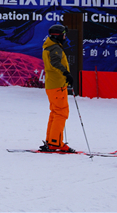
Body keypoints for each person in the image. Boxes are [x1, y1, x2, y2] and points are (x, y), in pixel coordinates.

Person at [39, 24, 75, 152]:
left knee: (55, 112)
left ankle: (51, 140)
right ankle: (55, 142)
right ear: (58, 36)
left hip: (53, 85)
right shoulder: (54, 48)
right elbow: (55, 63)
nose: (65, 37)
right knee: (61, 112)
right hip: (57, 85)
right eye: (64, 35)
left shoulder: (49, 46)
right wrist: (66, 74)